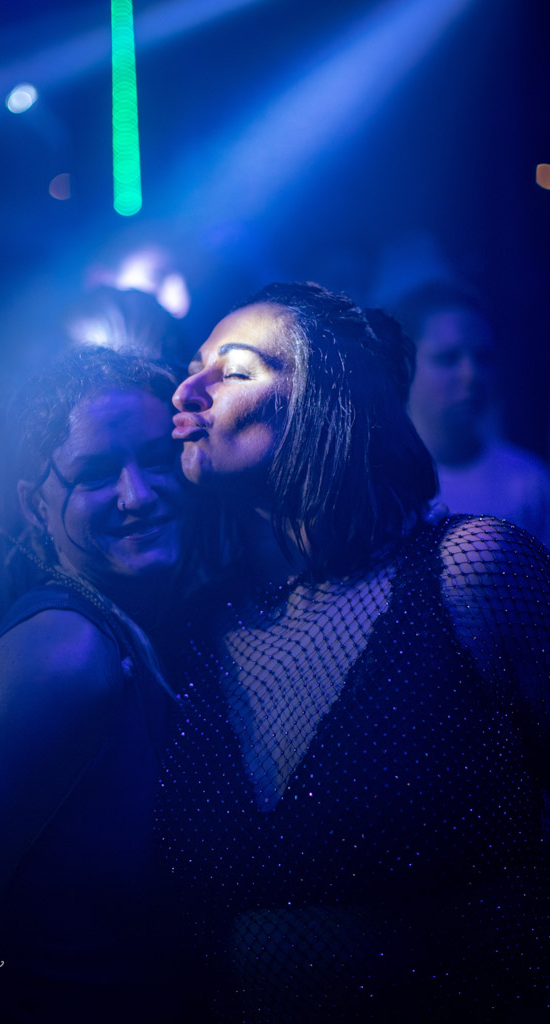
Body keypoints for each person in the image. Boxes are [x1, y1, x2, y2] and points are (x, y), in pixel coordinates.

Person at [159, 282, 550, 1022]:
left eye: (234, 371)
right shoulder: (194, 635)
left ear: (325, 403)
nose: (189, 391)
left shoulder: (468, 573)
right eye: (192, 368)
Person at [0, 346, 189, 1023]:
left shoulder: (131, 633)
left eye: (157, 459)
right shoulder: (63, 655)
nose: (138, 495)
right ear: (33, 506)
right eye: (96, 474)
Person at [397, 280, 550, 546]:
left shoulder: (527, 484)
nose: (472, 375)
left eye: (484, 357)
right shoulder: (380, 488)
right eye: (448, 358)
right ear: (405, 366)